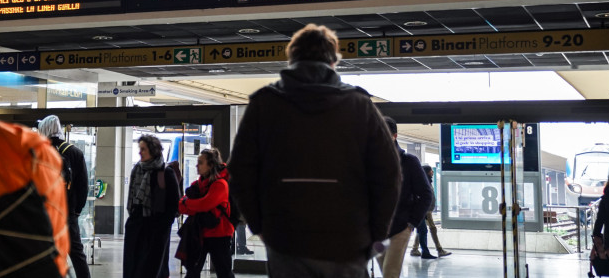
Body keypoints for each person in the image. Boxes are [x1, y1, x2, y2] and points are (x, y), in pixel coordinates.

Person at [227, 23, 402, 278]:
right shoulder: (360, 105)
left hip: (286, 239)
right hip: (349, 241)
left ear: (291, 59)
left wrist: (260, 225)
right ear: (333, 62)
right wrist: (374, 235)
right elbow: (389, 176)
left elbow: (240, 171)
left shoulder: (265, 104)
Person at [378, 117, 434, 278]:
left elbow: (426, 194)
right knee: (384, 270)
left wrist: (411, 223)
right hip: (377, 230)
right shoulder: (372, 162)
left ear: (394, 136)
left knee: (390, 273)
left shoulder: (408, 161)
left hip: (400, 227)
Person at [37, 115, 91, 278]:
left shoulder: (40, 151)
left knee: (45, 252)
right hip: (67, 212)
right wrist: (76, 210)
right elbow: (83, 187)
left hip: (45, 212)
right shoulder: (75, 152)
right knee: (76, 253)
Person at [123, 134, 181, 278]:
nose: (139, 152)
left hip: (156, 227)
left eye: (143, 149)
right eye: (139, 148)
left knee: (153, 268)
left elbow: (174, 204)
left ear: (153, 150)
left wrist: (163, 227)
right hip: (136, 225)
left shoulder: (165, 172)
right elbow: (131, 197)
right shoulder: (137, 169)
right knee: (133, 266)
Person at [177, 148, 235, 278]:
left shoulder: (221, 185)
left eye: (200, 162)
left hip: (220, 235)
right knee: (192, 271)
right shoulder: (197, 185)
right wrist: (190, 203)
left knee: (224, 272)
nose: (197, 166)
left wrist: (188, 202)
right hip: (200, 233)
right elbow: (181, 206)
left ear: (211, 165)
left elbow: (204, 204)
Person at [410, 164, 452, 259]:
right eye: (431, 171)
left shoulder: (427, 181)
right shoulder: (424, 182)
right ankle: (439, 249)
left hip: (427, 209)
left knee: (422, 230)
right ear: (427, 172)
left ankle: (415, 249)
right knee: (431, 228)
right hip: (425, 210)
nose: (432, 172)